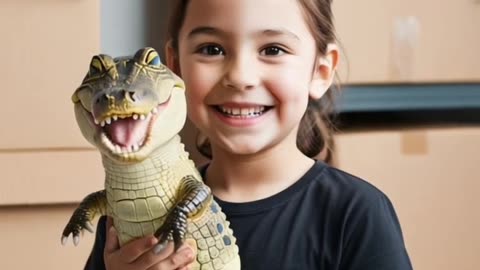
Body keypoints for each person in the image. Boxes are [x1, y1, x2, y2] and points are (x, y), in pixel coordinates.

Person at [84, 0, 413, 269]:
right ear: (175, 68)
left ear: (320, 72)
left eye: (273, 49)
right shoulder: (124, 215)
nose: (240, 77)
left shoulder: (357, 214)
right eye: (212, 49)